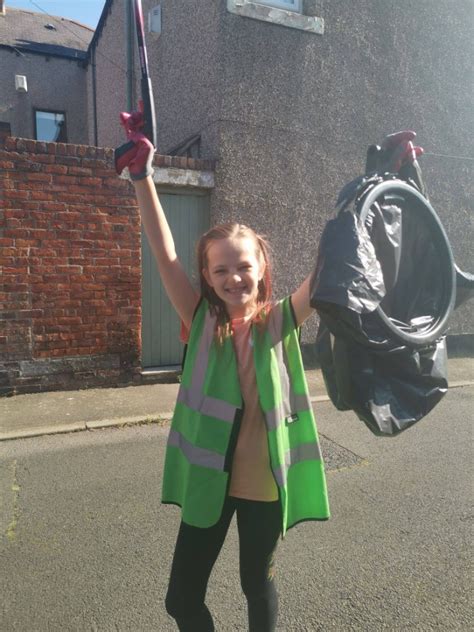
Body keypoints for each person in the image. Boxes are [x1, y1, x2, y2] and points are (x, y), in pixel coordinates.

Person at [116, 111, 330, 632]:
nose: (234, 276)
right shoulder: (200, 319)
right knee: (180, 600)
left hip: (263, 487)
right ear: (208, 279)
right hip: (207, 483)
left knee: (256, 585)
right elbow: (166, 256)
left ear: (261, 271)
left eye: (244, 266)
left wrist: (372, 192)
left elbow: (324, 275)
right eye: (220, 269)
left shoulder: (277, 321)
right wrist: (143, 176)